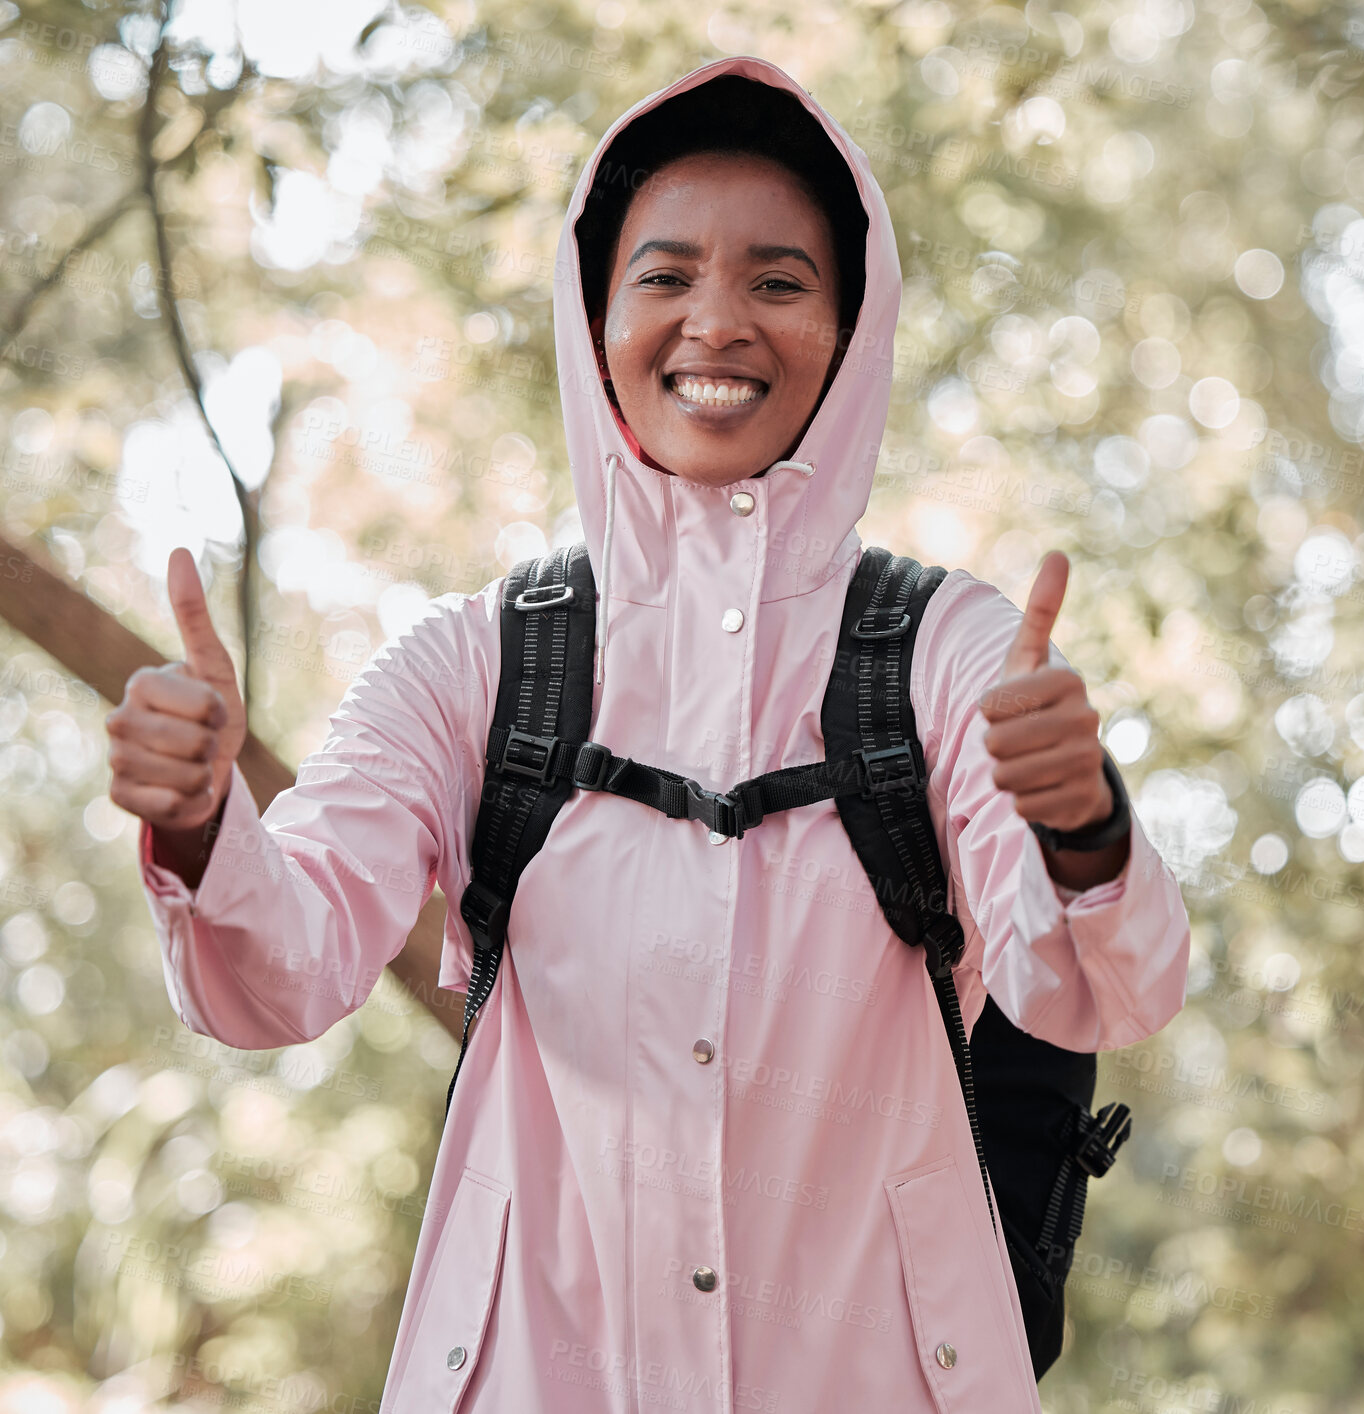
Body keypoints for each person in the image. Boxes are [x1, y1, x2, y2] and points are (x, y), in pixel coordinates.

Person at [106, 55, 1191, 1413]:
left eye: (778, 281)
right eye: (664, 275)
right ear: (593, 315)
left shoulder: (954, 651)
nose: (716, 321)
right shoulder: (476, 660)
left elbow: (1096, 988)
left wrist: (1080, 823)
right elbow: (282, 968)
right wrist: (202, 820)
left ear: (851, 331)